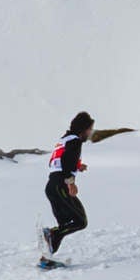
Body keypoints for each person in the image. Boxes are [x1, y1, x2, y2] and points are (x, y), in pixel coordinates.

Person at [42, 111, 95, 259]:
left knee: (64, 225)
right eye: (90, 129)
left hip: (51, 186)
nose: (90, 133)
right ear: (83, 129)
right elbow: (66, 163)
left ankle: (47, 257)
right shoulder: (75, 141)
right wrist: (70, 183)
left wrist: (78, 166)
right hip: (61, 185)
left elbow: (59, 160)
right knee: (80, 221)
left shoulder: (64, 139)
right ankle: (50, 234)